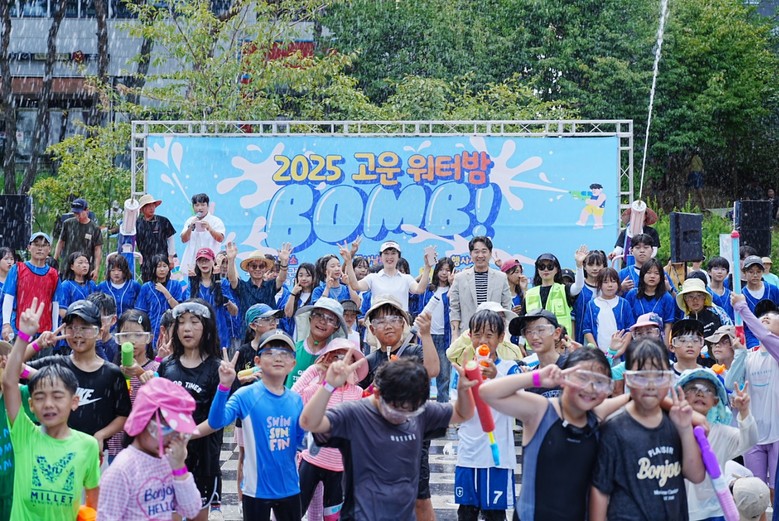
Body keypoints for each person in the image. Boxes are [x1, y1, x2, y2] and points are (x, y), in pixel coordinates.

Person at [299, 356, 476, 521]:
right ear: (377, 393)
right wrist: (328, 386)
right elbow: (309, 422)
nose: (401, 417)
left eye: (409, 414)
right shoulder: (355, 414)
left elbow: (462, 413)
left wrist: (464, 390)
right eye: (394, 411)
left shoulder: (419, 412)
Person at [480, 347, 629, 520]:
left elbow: (635, 398)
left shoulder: (596, 414)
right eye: (582, 378)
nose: (590, 388)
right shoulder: (541, 411)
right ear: (564, 378)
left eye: (600, 381)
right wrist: (536, 378)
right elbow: (486, 393)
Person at [3, 298, 100, 519]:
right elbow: (9, 381)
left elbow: (93, 504)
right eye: (40, 397)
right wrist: (24, 336)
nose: (48, 404)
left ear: (74, 401)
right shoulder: (24, 435)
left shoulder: (88, 446)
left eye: (57, 396)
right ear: (31, 405)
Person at [589, 338, 706, 520]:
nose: (651, 385)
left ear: (669, 378)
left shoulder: (676, 422)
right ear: (627, 379)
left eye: (659, 376)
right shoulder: (613, 429)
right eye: (641, 376)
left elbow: (696, 475)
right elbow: (600, 490)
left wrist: (684, 430)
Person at [208, 330, 305, 521]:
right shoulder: (245, 396)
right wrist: (224, 387)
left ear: (293, 364)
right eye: (270, 352)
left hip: (290, 488)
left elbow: (302, 442)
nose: (278, 358)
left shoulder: (296, 400)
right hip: (255, 490)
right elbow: (216, 422)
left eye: (285, 353)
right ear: (257, 361)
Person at [156, 300, 234, 521]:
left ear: (207, 327)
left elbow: (217, 419)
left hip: (203, 458)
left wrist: (187, 435)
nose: (186, 328)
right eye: (181, 323)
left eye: (194, 322)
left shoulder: (219, 368)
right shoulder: (167, 365)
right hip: (170, 455)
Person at [25, 299, 132, 454]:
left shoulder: (112, 374)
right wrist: (37, 344)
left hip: (93, 454)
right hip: (53, 451)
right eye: (71, 328)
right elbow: (11, 367)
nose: (77, 334)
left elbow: (124, 414)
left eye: (85, 328)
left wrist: (101, 435)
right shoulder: (54, 366)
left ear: (99, 332)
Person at [97, 377, 203, 520]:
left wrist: (179, 468)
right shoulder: (122, 470)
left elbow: (191, 510)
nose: (171, 437)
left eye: (177, 431)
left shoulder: (168, 460)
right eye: (166, 428)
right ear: (143, 420)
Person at [451, 309, 520, 520]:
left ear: (501, 338)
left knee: (495, 514)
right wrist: (464, 384)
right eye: (477, 334)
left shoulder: (509, 369)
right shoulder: (462, 370)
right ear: (470, 336)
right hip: (468, 454)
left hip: (497, 457)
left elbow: (518, 404)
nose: (483, 340)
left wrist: (496, 376)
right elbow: (458, 411)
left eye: (489, 335)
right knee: (466, 513)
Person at [292, 338, 367, 520]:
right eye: (336, 357)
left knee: (332, 515)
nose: (341, 363)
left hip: (340, 467)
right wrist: (315, 370)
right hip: (311, 460)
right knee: (294, 511)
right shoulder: (318, 390)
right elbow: (292, 399)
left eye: (346, 358)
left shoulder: (358, 393)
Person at [677, 368, 757, 520]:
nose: (700, 393)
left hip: (715, 511)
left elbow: (750, 440)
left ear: (715, 401)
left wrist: (744, 411)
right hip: (680, 510)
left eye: (708, 390)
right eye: (693, 388)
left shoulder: (722, 432)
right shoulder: (671, 431)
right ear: (682, 395)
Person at [726, 295, 779, 500]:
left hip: (777, 434)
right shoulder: (749, 355)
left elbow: (764, 335)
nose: (765, 318)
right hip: (753, 436)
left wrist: (742, 307)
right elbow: (730, 383)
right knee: (756, 492)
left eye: (772, 317)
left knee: (775, 491)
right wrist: (739, 354)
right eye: (762, 317)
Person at [105, 308, 158, 460]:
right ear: (118, 338)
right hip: (116, 444)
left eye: (138, 335)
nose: (132, 340)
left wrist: (140, 373)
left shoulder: (155, 368)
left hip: (145, 444)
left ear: (149, 338)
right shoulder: (112, 370)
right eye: (126, 335)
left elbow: (161, 396)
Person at [449, 236, 513, 338]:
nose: (480, 255)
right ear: (470, 254)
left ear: (490, 253)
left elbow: (506, 308)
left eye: (484, 251)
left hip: (493, 335)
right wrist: (455, 335)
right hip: (467, 335)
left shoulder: (501, 278)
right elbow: (455, 309)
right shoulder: (460, 278)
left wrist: (505, 335)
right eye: (476, 251)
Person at [2, 232, 61, 342]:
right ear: (29, 247)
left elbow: (55, 304)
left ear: (49, 249)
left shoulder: (54, 274)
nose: (40, 248)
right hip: (20, 329)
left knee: (43, 354)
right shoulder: (17, 269)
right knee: (19, 353)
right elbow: (8, 298)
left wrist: (54, 331)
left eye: (44, 245)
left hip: (45, 333)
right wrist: (6, 324)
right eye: (36, 244)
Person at [226, 241, 292, 339]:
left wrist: (284, 262)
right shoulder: (243, 287)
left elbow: (281, 278)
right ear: (248, 268)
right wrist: (231, 260)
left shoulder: (270, 286)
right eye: (254, 266)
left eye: (261, 266)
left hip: (269, 334)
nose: (257, 269)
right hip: (248, 335)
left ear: (265, 269)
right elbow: (232, 279)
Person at [341, 240, 432, 312]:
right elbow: (355, 286)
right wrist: (348, 262)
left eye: (393, 253)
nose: (389, 257)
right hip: (378, 324)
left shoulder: (406, 278)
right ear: (381, 257)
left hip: (400, 324)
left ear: (398, 257)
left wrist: (427, 267)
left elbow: (419, 289)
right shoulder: (373, 278)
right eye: (386, 253)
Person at [286, 297, 348, 389]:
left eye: (330, 319)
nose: (322, 321)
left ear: (336, 328)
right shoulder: (292, 349)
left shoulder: (334, 359)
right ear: (310, 318)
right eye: (318, 315)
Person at [185, 248, 239, 350]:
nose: (204, 263)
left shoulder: (222, 282)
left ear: (213, 261)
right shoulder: (193, 284)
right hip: (199, 334)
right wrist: (193, 283)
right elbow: (188, 308)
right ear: (197, 263)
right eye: (201, 260)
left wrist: (227, 302)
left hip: (220, 334)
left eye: (207, 260)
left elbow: (234, 311)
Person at [523, 248, 585, 336]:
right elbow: (523, 321)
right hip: (535, 341)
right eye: (541, 266)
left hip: (559, 341)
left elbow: (578, 286)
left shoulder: (564, 290)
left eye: (550, 266)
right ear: (537, 270)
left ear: (556, 270)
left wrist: (579, 265)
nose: (546, 269)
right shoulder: (530, 294)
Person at [507, 309, 567, 397]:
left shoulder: (570, 366)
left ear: (556, 333)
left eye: (541, 330)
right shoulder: (533, 378)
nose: (534, 337)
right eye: (528, 331)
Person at [419, 256, 454, 402]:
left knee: (444, 375)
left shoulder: (453, 290)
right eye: (441, 269)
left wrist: (453, 284)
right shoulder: (429, 290)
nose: (444, 273)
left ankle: (443, 406)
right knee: (424, 373)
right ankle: (423, 405)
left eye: (448, 270)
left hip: (445, 337)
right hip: (428, 336)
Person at [581, 267, 635, 352]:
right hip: (599, 354)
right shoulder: (591, 305)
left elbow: (629, 329)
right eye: (605, 282)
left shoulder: (624, 304)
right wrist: (597, 351)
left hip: (620, 353)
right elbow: (587, 330)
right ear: (599, 284)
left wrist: (622, 350)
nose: (610, 285)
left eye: (613, 281)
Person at [624, 258, 676, 344]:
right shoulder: (632, 295)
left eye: (656, 273)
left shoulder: (667, 297)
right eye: (648, 272)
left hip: (658, 343)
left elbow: (668, 325)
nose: (652, 276)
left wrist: (665, 347)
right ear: (642, 275)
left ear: (661, 276)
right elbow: (628, 322)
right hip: (636, 342)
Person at [135, 253, 183, 347]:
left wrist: (166, 292)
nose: (162, 269)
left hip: (171, 329)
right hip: (151, 329)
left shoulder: (176, 285)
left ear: (168, 268)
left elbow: (178, 309)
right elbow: (140, 313)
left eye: (164, 266)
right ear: (153, 269)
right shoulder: (146, 287)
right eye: (159, 266)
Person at [54, 198, 103, 281]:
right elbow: (61, 242)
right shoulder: (68, 224)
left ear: (87, 211)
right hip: (67, 266)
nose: (77, 215)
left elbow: (97, 249)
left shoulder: (94, 228)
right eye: (75, 213)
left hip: (85, 268)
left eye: (79, 213)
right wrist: (55, 260)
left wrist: (96, 269)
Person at [179, 193, 225, 277]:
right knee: (194, 283)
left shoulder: (216, 221)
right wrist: (190, 227)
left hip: (211, 261)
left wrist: (209, 228)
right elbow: (183, 239)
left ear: (208, 206)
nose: (200, 208)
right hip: (194, 262)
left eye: (203, 205)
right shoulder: (190, 221)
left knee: (212, 283)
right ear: (193, 207)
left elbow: (220, 238)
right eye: (197, 205)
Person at [135, 193, 177, 283]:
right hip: (146, 262)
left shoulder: (163, 221)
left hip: (162, 261)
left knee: (164, 284)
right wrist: (139, 257)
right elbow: (132, 242)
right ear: (142, 209)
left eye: (153, 205)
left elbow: (171, 239)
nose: (151, 208)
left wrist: (170, 257)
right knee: (148, 285)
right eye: (148, 206)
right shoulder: (137, 224)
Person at [741, 256, 779, 349]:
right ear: (744, 273)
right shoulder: (741, 295)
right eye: (751, 272)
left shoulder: (773, 289)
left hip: (774, 333)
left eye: (758, 272)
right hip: (752, 336)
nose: (755, 275)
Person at [572, 250, 607, 345]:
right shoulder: (578, 288)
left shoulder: (608, 288)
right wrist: (573, 341)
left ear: (603, 265)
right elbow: (573, 318)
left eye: (598, 264)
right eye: (591, 265)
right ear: (584, 266)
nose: (595, 268)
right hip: (582, 339)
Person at [97, 253, 141, 324]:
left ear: (125, 271)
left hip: (129, 325)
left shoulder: (134, 286)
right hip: (108, 326)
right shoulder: (102, 286)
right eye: (113, 270)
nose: (116, 273)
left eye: (119, 270)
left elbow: (140, 308)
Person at [279, 262, 316, 336]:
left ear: (314, 277)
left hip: (310, 335)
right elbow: (288, 314)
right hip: (294, 335)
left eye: (308, 275)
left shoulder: (316, 296)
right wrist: (293, 293)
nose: (304, 278)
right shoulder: (291, 295)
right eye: (301, 275)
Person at [87, 291, 119, 363]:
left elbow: (110, 370)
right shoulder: (82, 343)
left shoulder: (117, 347)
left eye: (99, 320)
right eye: (88, 320)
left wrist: (98, 345)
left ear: (113, 320)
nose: (93, 325)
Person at [707, 256, 734, 321]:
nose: (720, 272)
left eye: (723, 269)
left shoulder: (731, 295)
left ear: (727, 273)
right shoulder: (705, 292)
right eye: (716, 269)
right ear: (709, 272)